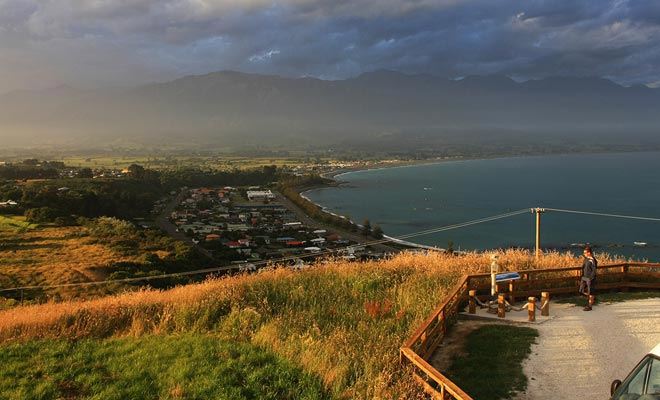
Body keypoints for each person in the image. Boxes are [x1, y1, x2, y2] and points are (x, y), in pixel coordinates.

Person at [578, 246, 597, 311]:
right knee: (581, 290)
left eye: (585, 253)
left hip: (590, 278)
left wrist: (591, 278)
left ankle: (590, 305)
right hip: (584, 277)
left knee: (591, 291)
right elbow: (583, 267)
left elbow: (594, 270)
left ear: (589, 253)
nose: (584, 254)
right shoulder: (585, 259)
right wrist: (582, 275)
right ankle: (592, 298)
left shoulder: (593, 260)